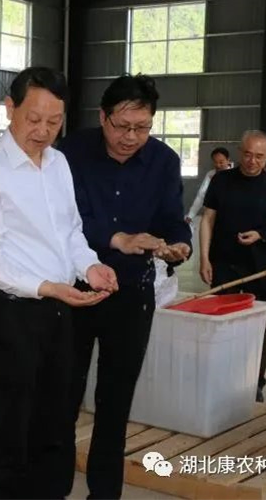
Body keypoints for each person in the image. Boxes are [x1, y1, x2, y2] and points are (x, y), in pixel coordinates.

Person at [0, 67, 119, 499]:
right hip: (11, 314)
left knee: (57, 420)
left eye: (54, 121)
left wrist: (90, 266)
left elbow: (70, 232)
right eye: (34, 119)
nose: (43, 131)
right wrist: (46, 286)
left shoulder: (58, 164)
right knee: (13, 425)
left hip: (60, 311)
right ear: (10, 108)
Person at [58, 74, 192, 499]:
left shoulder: (163, 161)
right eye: (122, 126)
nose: (131, 137)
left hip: (132, 293)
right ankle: (54, 486)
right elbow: (63, 219)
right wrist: (118, 239)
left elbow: (172, 218)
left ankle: (104, 493)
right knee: (62, 395)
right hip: (74, 290)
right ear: (103, 117)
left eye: (142, 127)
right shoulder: (71, 153)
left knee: (115, 402)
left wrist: (180, 245)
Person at [200, 130, 266, 403]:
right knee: (220, 324)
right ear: (240, 151)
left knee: (257, 326)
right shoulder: (221, 180)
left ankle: (255, 382)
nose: (253, 161)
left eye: (260, 156)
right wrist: (204, 258)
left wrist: (261, 234)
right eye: (248, 154)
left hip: (259, 266)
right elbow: (208, 219)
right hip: (224, 262)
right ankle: (219, 379)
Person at [185, 147, 232, 224]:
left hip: (230, 216)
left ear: (228, 160)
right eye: (215, 162)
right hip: (212, 215)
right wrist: (190, 215)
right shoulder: (210, 174)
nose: (218, 165)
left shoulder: (234, 175)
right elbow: (201, 195)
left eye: (221, 162)